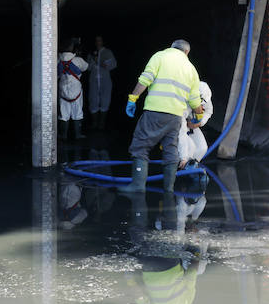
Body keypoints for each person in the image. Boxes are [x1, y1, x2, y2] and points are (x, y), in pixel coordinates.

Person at [120, 40, 203, 194]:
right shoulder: (191, 69)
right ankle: (169, 189)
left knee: (141, 146)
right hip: (176, 117)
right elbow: (195, 99)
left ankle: (138, 187)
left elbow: (145, 79)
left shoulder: (160, 57)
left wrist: (133, 98)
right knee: (170, 149)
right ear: (186, 52)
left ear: (171, 47)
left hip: (154, 112)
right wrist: (199, 115)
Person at [178, 81, 213, 169]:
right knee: (190, 147)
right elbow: (181, 133)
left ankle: (191, 168)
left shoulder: (205, 97)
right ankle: (182, 167)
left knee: (202, 148)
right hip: (178, 125)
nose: (201, 107)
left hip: (191, 125)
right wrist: (184, 157)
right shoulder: (183, 101)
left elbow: (209, 111)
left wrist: (199, 123)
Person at [57, 42, 88, 141]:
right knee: (78, 111)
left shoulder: (57, 60)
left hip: (63, 90)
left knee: (63, 113)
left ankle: (63, 135)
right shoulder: (78, 60)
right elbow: (86, 67)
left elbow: (56, 74)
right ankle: (78, 135)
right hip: (76, 90)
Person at [86, 35, 117, 130]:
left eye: (99, 40)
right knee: (93, 101)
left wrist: (98, 61)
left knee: (105, 101)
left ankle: (102, 124)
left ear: (102, 41)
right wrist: (92, 61)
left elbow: (112, 65)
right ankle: (94, 123)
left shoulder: (108, 52)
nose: (98, 42)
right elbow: (88, 68)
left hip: (105, 81)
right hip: (94, 81)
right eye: (96, 40)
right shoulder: (91, 53)